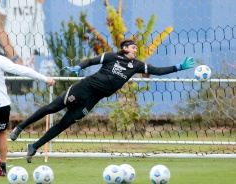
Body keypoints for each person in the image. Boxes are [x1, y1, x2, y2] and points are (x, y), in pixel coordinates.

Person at [10, 39, 195, 163]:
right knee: (52, 108)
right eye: (133, 47)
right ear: (124, 48)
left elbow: (158, 71)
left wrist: (178, 67)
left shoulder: (136, 65)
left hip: (93, 99)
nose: (135, 49)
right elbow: (91, 61)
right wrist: (78, 66)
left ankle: (34, 147)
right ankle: (20, 128)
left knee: (64, 124)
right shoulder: (112, 56)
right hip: (84, 88)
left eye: (136, 48)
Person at [0, 31, 55, 176]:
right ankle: (3, 167)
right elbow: (21, 70)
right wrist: (45, 79)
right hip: (1, 105)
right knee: (1, 134)